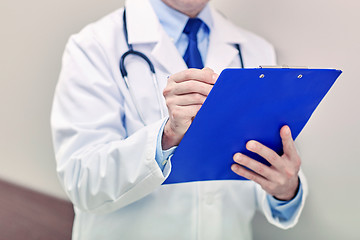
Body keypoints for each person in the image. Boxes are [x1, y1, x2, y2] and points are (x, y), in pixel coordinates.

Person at [51, 0, 308, 239]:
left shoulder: (255, 50)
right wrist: (167, 136)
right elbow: (82, 182)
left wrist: (285, 191)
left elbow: (258, 166)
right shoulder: (94, 45)